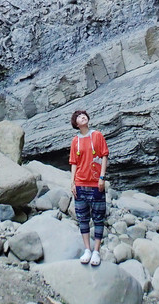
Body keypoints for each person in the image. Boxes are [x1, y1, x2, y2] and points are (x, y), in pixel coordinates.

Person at [69, 109, 109, 266]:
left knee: (99, 218)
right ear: (76, 123)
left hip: (95, 183)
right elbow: (73, 163)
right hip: (80, 184)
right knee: (83, 218)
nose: (82, 117)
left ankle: (96, 251)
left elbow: (104, 155)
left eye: (83, 115)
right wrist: (72, 182)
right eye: (78, 116)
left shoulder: (97, 135)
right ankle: (87, 249)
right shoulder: (75, 141)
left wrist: (102, 177)